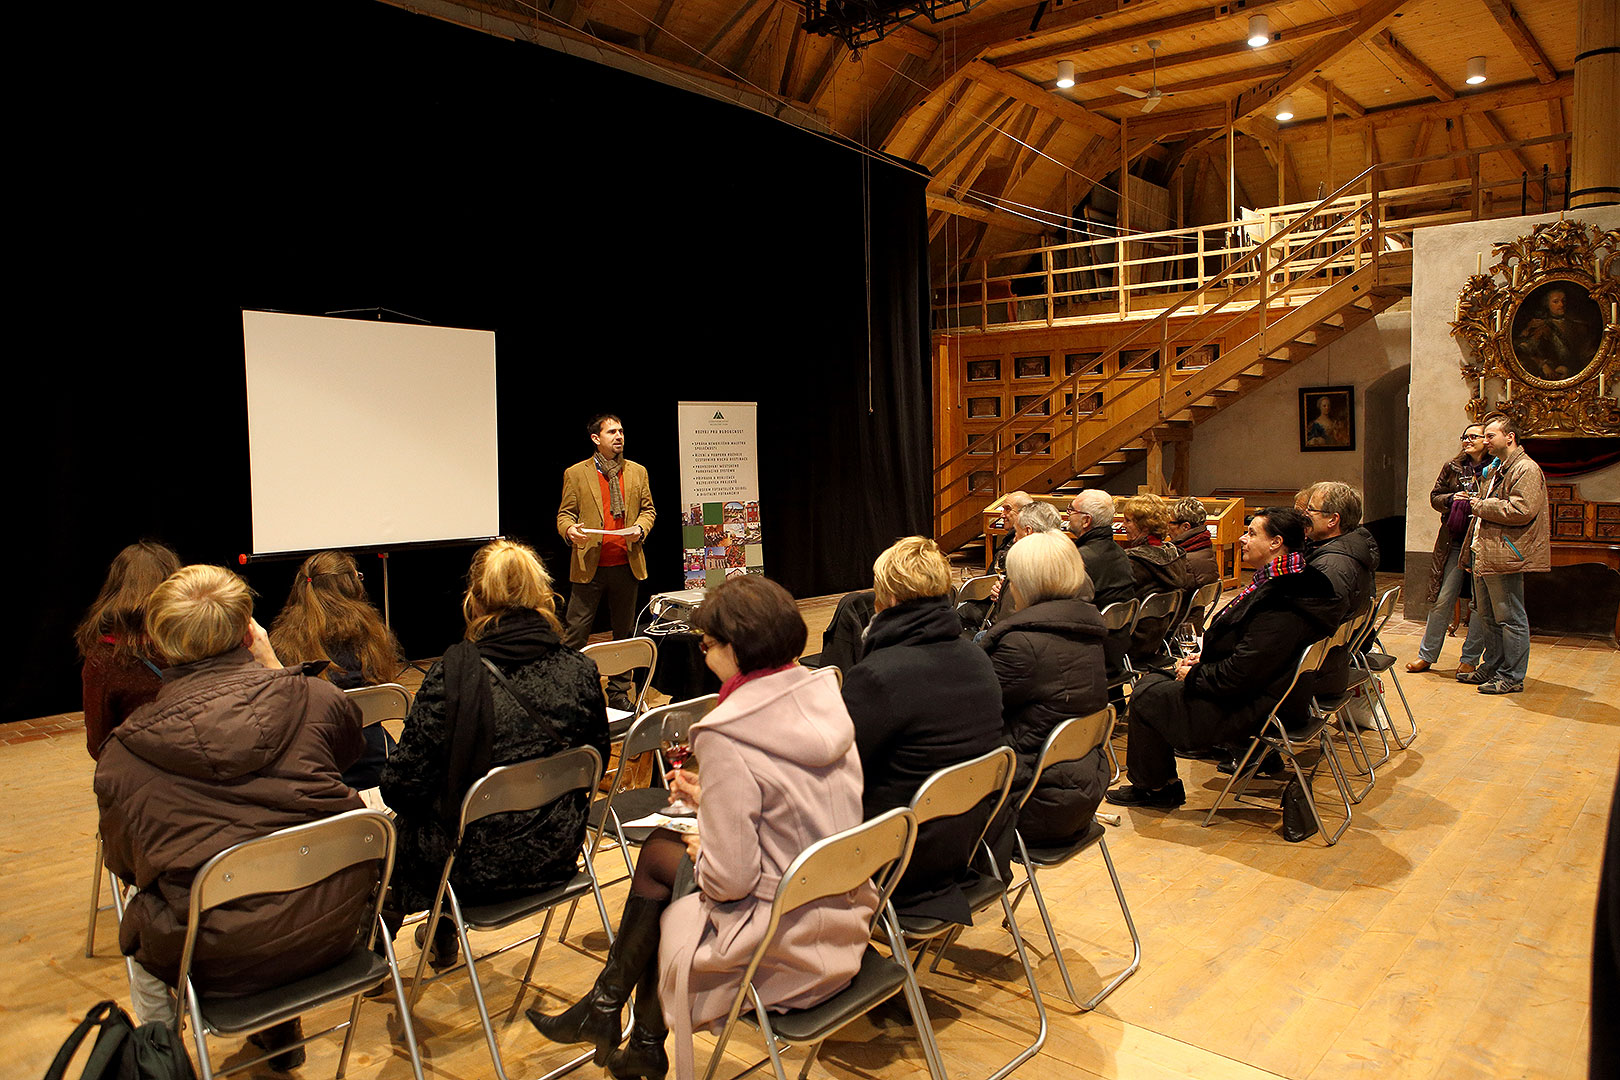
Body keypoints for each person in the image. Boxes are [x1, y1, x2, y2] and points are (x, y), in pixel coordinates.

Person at [529, 575, 874, 1080]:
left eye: (709, 646)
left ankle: (617, 1019)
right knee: (665, 858)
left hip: (779, 953)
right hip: (844, 919)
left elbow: (730, 881)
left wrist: (704, 843)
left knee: (665, 871)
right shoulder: (821, 693)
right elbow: (799, 803)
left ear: (737, 651)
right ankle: (625, 1030)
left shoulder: (727, 732)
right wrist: (713, 802)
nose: (704, 658)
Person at [94, 564, 369, 1071]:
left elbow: (127, 863)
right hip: (336, 927)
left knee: (140, 903)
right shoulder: (320, 699)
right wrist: (274, 668)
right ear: (250, 631)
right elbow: (351, 752)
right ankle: (281, 1028)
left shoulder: (123, 754)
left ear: (158, 644)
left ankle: (161, 1056)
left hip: (216, 957)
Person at [380, 540, 609, 968]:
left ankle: (383, 949)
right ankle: (443, 927)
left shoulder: (453, 674)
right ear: (543, 594)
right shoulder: (580, 669)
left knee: (396, 830)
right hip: (556, 850)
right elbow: (596, 759)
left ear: (475, 599)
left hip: (473, 866)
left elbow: (401, 787)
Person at [1105, 508, 1339, 809]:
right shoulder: (1297, 578)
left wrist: (1198, 673)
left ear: (1276, 543)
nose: (1243, 539)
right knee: (1157, 677)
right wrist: (1205, 658)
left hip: (1254, 707)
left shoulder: (1284, 598)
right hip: (1279, 694)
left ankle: (1157, 787)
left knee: (1146, 694)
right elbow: (1256, 652)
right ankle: (1158, 782)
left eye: (1252, 533)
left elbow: (1242, 673)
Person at [841, 536, 1004, 922]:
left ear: (890, 601)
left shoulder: (879, 675)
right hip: (965, 842)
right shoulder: (977, 658)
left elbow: (838, 768)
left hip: (896, 856)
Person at [980, 531, 1109, 857]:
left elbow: (971, 714)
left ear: (1024, 582)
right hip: (1082, 793)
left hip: (1028, 806)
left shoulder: (1021, 644)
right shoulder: (1086, 631)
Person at [269, 550, 405, 789]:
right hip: (375, 768)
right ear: (351, 586)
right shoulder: (374, 637)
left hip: (316, 774)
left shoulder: (283, 644)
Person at [558, 413, 657, 709]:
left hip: (626, 565)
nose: (619, 436)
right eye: (612, 432)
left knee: (623, 634)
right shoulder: (576, 473)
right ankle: (569, 692)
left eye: (621, 431)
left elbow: (649, 510)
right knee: (576, 633)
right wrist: (570, 531)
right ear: (595, 438)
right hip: (590, 566)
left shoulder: (638, 472)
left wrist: (641, 527)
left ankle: (618, 692)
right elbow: (565, 516)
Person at [1459, 415, 1550, 694]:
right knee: (1487, 616)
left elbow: (1522, 510)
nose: (1484, 441)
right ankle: (1494, 665)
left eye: (1490, 436)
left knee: (1510, 617)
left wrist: (1479, 505)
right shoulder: (1499, 468)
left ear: (1509, 437)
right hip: (1486, 550)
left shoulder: (1525, 468)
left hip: (1505, 554)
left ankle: (1511, 675)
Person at [76, 540, 181, 759]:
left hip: (141, 775)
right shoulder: (195, 642)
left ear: (115, 589)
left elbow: (98, 745)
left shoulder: (104, 659)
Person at [1407, 423, 1491, 675]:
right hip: (1454, 539)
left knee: (1479, 604)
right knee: (1443, 599)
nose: (1467, 440)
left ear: (1486, 440)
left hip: (1483, 540)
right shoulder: (1453, 466)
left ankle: (1470, 659)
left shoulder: (1495, 468)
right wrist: (1453, 499)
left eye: (1473, 436)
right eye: (1464, 436)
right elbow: (1435, 497)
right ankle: (1427, 655)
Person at [1302, 481, 1378, 698]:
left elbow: (1310, 627)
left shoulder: (1331, 566)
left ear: (1333, 520)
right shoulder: (1350, 547)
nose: (1305, 516)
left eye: (1311, 510)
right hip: (1332, 663)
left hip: (1318, 672)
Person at [1119, 493, 1195, 660]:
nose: (1122, 525)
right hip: (1159, 639)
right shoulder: (1175, 555)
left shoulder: (1134, 562)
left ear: (1144, 527)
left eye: (1128, 521)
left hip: (1132, 643)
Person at [959, 490, 1034, 633]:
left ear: (1023, 514)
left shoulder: (1019, 546)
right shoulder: (1010, 539)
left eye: (1007, 509)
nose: (1001, 514)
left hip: (997, 609)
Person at [1066, 489, 1135, 610]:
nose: (1068, 515)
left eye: (1072, 510)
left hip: (1092, 626)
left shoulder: (1080, 560)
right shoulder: (1121, 553)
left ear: (1086, 521)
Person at [1515, 287, 1597, 381]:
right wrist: (1543, 364)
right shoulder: (1541, 327)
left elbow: (1587, 357)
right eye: (1556, 302)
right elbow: (1524, 350)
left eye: (1563, 301)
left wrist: (1571, 372)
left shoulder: (1579, 327)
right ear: (1547, 305)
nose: (1561, 305)